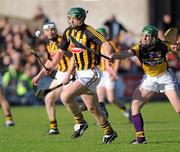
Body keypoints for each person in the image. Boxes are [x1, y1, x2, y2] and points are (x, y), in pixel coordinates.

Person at [46, 7, 118, 144]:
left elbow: (106, 44)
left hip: (91, 72)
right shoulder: (68, 32)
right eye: (69, 18)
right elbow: (60, 53)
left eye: (74, 18)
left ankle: (80, 123)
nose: (71, 21)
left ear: (82, 18)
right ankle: (109, 132)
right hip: (80, 73)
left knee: (65, 96)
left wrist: (108, 60)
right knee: (93, 109)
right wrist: (51, 65)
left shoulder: (89, 31)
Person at [111, 25, 180, 144]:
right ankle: (140, 139)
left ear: (153, 38)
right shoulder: (139, 48)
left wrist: (176, 47)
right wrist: (114, 56)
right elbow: (127, 53)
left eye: (147, 36)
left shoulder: (162, 45)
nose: (144, 38)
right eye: (143, 35)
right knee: (135, 105)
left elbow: (172, 47)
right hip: (150, 79)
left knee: (178, 109)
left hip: (165, 78)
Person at [79, 27, 130, 120]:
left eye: (102, 35)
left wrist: (115, 71)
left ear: (106, 35)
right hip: (100, 72)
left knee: (111, 99)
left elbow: (117, 58)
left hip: (109, 72)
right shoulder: (96, 45)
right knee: (100, 98)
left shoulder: (111, 44)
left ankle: (126, 111)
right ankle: (103, 117)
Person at [32, 22, 71, 135]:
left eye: (53, 29)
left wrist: (70, 73)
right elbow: (49, 61)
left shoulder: (62, 41)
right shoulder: (49, 44)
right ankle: (54, 127)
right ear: (44, 32)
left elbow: (71, 56)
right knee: (48, 99)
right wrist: (39, 76)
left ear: (56, 30)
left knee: (69, 104)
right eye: (48, 30)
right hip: (60, 74)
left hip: (70, 74)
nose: (51, 32)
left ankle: (94, 108)